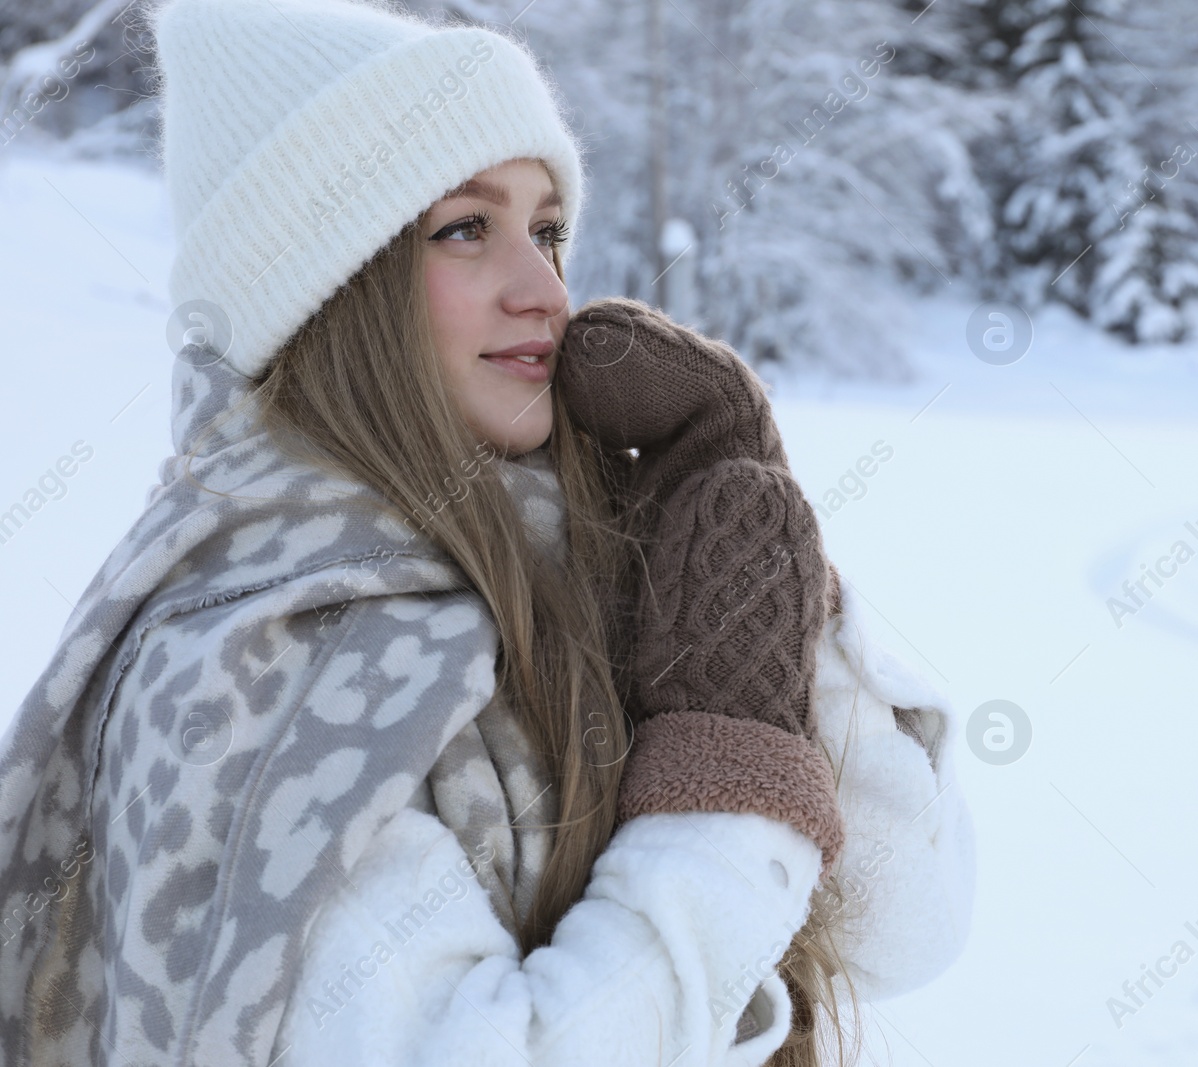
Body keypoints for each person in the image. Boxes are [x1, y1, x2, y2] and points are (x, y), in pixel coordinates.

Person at [0, 1, 976, 1065]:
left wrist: (763, 582)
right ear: (323, 286)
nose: (546, 291)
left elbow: (904, 930)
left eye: (547, 230)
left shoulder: (583, 557)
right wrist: (727, 787)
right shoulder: (257, 666)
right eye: (466, 227)